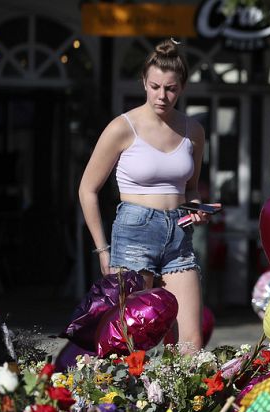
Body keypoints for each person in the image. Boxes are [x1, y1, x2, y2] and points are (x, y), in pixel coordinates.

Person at [78, 39, 212, 352]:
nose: (162, 96)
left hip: (179, 235)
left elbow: (189, 188)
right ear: (143, 82)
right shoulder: (122, 127)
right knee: (128, 343)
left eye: (171, 88)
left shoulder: (193, 130)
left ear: (182, 88)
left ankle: (180, 401)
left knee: (190, 346)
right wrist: (102, 250)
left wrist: (198, 210)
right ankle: (123, 402)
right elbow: (87, 189)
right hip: (135, 231)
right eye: (155, 87)